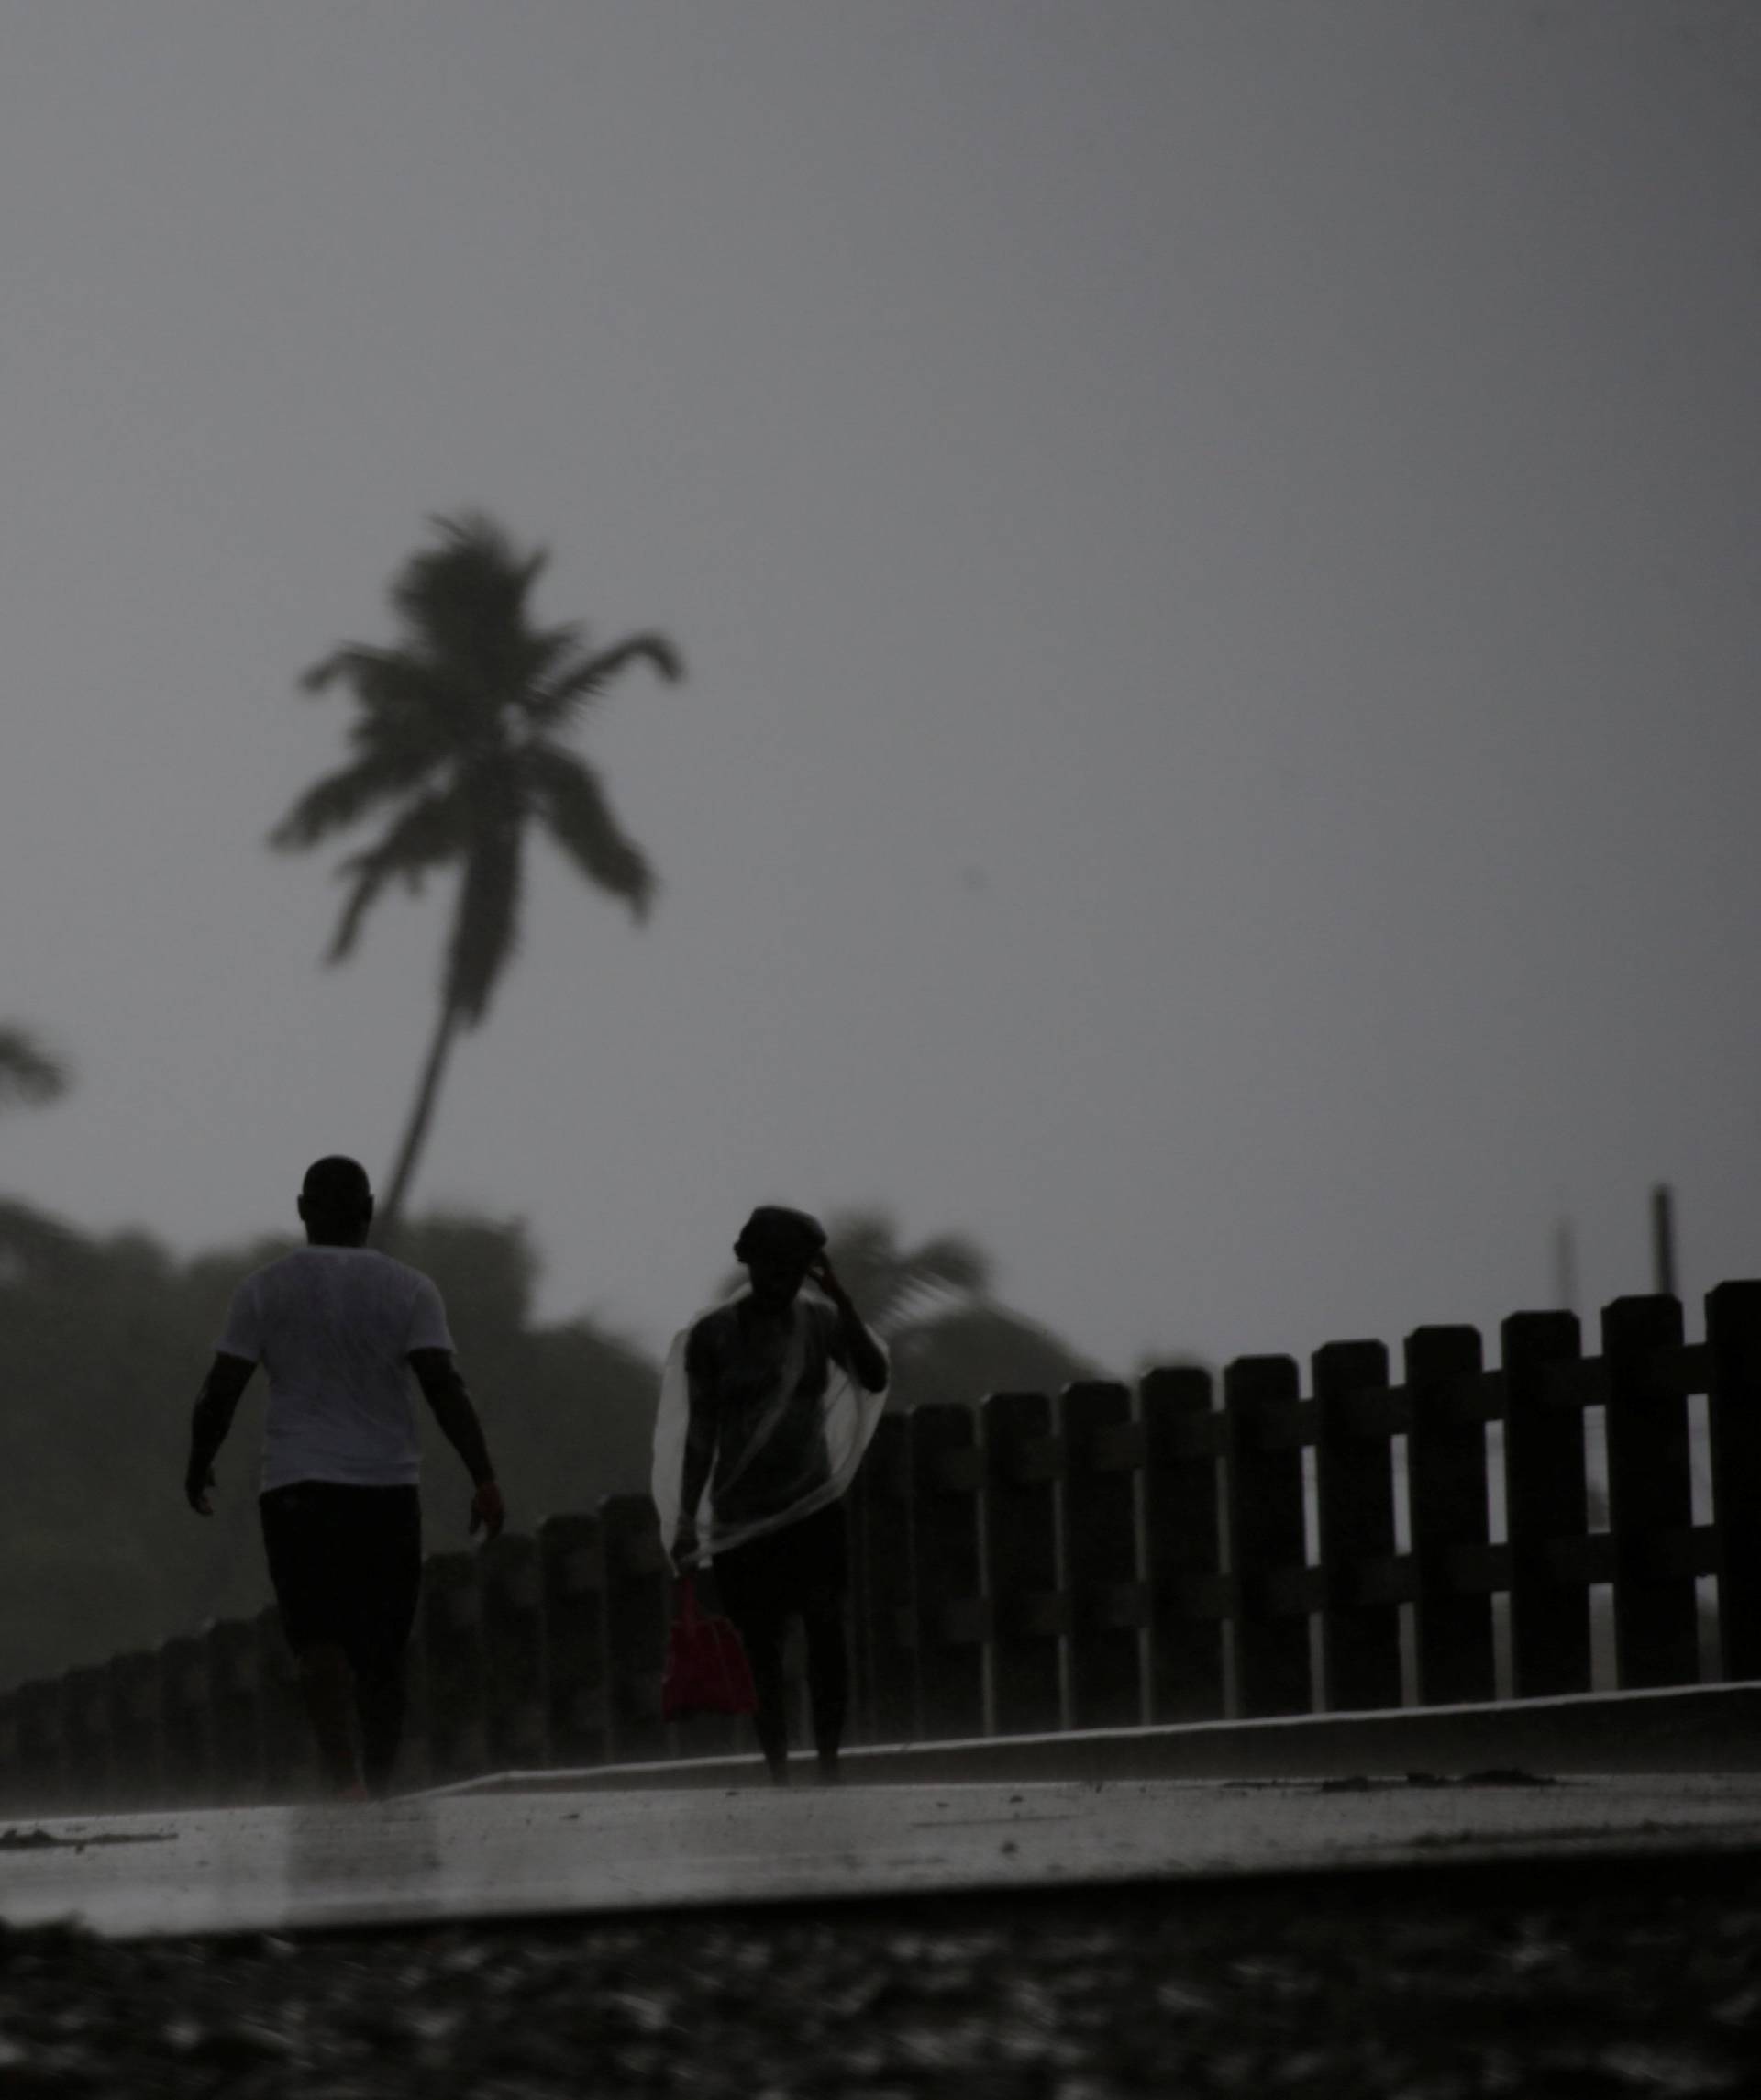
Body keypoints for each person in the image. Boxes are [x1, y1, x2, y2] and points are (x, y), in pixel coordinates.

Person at [183, 1155, 504, 1799]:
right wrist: (484, 1476)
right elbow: (443, 1386)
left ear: (302, 1208)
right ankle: (380, 1783)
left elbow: (222, 1389)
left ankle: (344, 1779)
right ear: (369, 1209)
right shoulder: (410, 1288)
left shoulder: (263, 1289)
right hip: (386, 1489)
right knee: (384, 1646)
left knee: (318, 1639)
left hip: (298, 1490)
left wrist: (200, 1460)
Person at [651, 1206, 889, 1784]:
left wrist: (842, 1299)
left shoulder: (820, 1323)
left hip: (812, 1508)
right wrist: (686, 1519)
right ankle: (778, 1768)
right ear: (750, 1263)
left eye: (795, 1268)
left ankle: (830, 1763)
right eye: (772, 1266)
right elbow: (702, 1436)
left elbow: (874, 1376)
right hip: (743, 1520)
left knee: (827, 1634)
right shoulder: (712, 1337)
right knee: (761, 1650)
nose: (782, 1279)